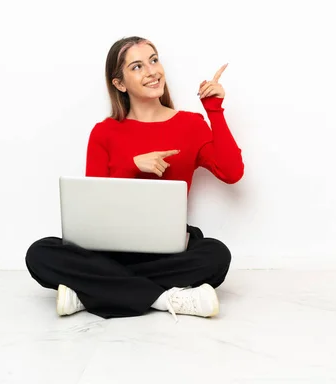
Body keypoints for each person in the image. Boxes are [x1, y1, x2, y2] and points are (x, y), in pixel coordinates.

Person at [25, 36, 244, 321]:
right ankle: (167, 298)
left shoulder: (190, 124)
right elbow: (94, 206)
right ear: (119, 83)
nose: (152, 71)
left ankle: (88, 293)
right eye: (138, 66)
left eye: (154, 60)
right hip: (110, 248)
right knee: (39, 253)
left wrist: (214, 110)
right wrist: (132, 166)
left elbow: (232, 172)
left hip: (167, 248)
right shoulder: (105, 132)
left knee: (216, 255)